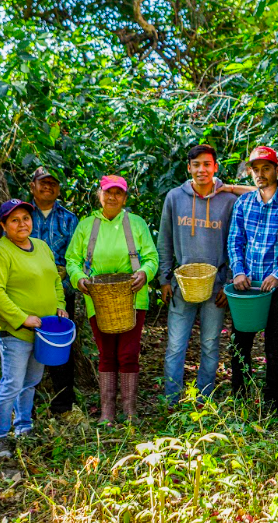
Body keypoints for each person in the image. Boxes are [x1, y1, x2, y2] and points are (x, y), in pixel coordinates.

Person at [66, 175, 159, 423]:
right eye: (108, 192)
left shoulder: (136, 223)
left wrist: (145, 273)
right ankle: (107, 412)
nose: (112, 197)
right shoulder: (87, 225)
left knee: (128, 353)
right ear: (100, 195)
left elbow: (152, 257)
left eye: (118, 193)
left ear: (125, 198)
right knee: (107, 353)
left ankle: (129, 411)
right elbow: (72, 260)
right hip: (98, 298)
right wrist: (78, 278)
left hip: (132, 297)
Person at [0, 199, 67, 461]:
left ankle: (24, 427)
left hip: (44, 331)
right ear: (3, 225)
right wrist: (22, 318)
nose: (22, 224)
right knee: (11, 384)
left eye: (26, 218)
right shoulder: (0, 251)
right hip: (15, 332)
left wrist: (60, 307)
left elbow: (55, 280)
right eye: (15, 220)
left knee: (31, 382)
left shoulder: (41, 246)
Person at [158, 145, 238, 403]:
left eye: (207, 164)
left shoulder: (229, 200)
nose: (201, 169)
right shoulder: (174, 197)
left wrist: (229, 283)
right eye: (196, 165)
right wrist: (164, 278)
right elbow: (165, 240)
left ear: (215, 167)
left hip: (216, 287)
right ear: (189, 168)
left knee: (210, 344)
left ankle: (204, 399)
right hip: (182, 285)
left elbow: (236, 242)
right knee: (175, 346)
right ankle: (171, 400)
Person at [227, 146, 278, 412]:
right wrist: (238, 271)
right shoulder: (244, 202)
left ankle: (272, 400)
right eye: (256, 169)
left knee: (275, 345)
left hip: (275, 286)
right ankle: (239, 396)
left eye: (266, 168)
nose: (261, 174)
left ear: (277, 170)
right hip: (247, 285)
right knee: (240, 343)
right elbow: (235, 240)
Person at [27, 167, 82, 414]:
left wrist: (65, 279)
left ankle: (62, 405)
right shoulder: (23, 215)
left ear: (58, 189)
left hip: (61, 295)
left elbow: (79, 257)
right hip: (26, 295)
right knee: (25, 347)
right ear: (32, 186)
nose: (47, 186)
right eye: (43, 182)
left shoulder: (70, 219)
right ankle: (27, 403)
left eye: (52, 183)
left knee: (61, 349)